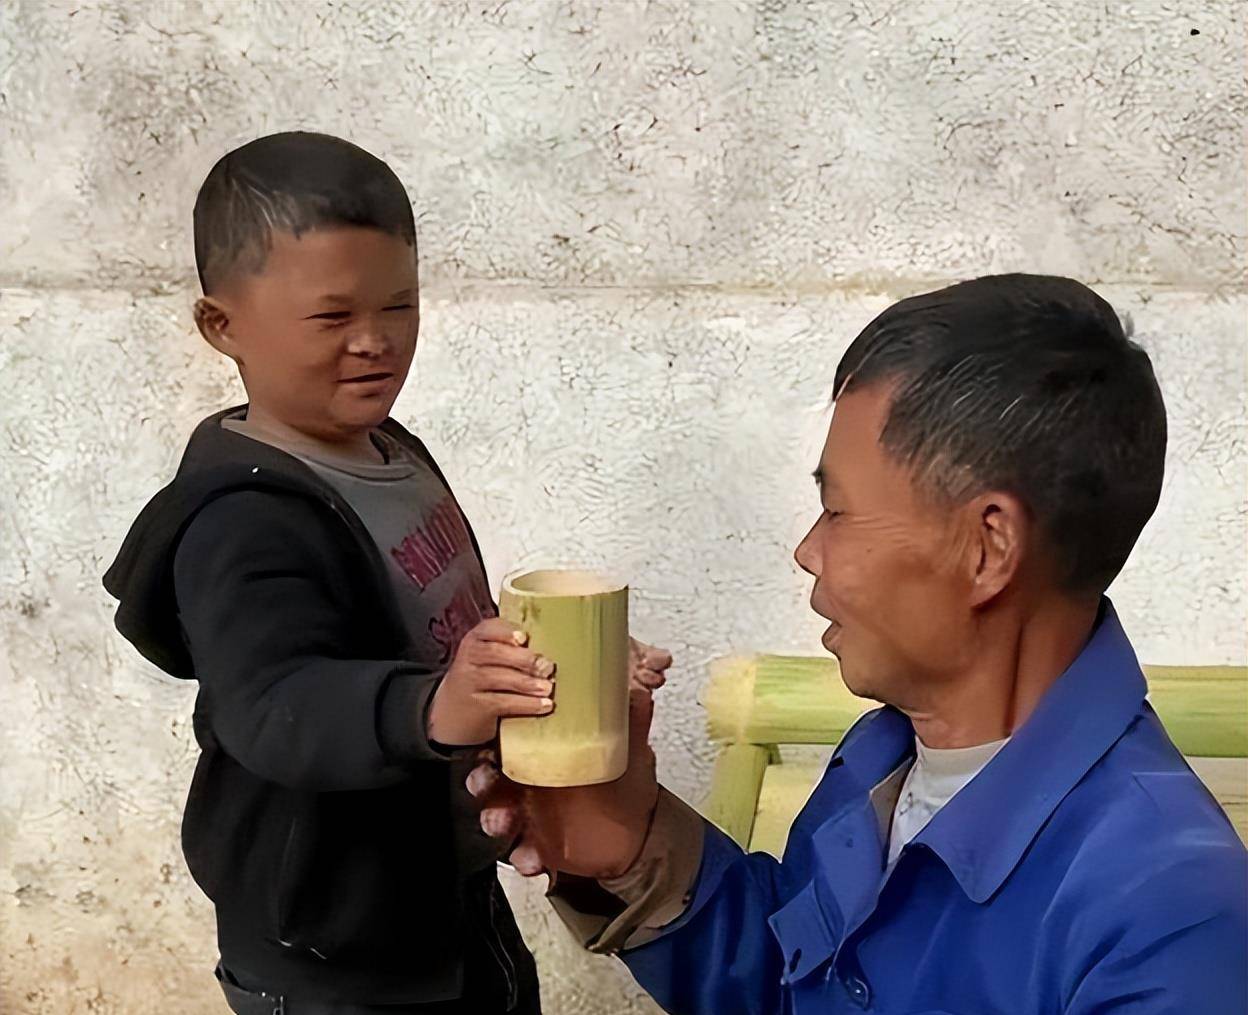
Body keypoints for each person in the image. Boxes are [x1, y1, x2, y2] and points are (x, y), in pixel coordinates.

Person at [471, 274, 1248, 1014]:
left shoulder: (1165, 913)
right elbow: (794, 991)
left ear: (988, 548)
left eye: (837, 512)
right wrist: (635, 846)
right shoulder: (880, 761)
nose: (809, 550)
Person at [102, 131, 672, 1014]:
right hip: (334, 946)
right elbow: (274, 705)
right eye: (333, 318)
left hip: (446, 899)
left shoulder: (394, 456)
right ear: (223, 326)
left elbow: (446, 633)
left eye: (399, 307)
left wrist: (561, 676)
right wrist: (435, 708)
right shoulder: (240, 522)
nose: (375, 342)